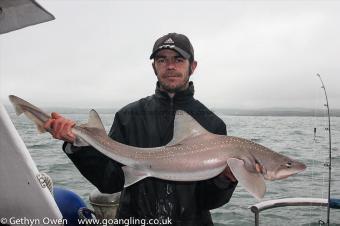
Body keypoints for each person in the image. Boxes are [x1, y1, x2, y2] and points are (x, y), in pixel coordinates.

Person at [45, 33, 238, 226]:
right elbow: (110, 182)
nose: (170, 66)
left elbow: (209, 201)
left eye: (178, 59)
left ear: (192, 66)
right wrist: (78, 145)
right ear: (154, 66)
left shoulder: (211, 125)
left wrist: (225, 179)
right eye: (162, 60)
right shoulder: (128, 117)